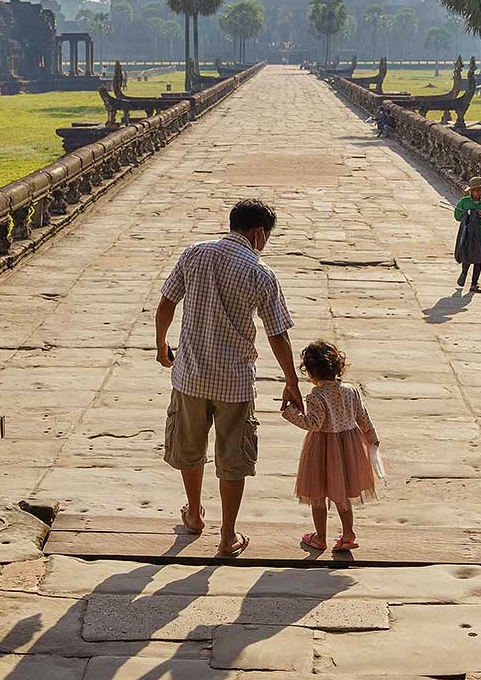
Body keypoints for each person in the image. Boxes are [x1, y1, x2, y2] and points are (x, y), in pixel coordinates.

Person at [156, 198, 301, 558]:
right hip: (234, 382)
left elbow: (167, 303)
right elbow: (277, 333)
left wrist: (161, 343)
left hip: (189, 374)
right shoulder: (260, 273)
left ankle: (193, 514)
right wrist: (291, 380)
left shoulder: (194, 254)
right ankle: (227, 536)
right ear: (258, 233)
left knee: (189, 448)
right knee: (233, 457)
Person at [282, 340, 379, 553]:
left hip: (322, 448)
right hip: (348, 448)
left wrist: (290, 412)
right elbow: (363, 417)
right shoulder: (350, 390)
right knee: (341, 493)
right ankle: (348, 534)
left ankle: (320, 538)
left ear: (310, 372)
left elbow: (312, 424)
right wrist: (372, 437)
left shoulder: (316, 395)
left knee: (318, 493)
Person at [450, 177, 481, 291]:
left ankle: (474, 283)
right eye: (476, 190)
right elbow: (457, 216)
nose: (478, 192)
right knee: (467, 257)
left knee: (479, 259)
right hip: (467, 234)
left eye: (480, 190)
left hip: (480, 235)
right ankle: (464, 273)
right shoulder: (464, 202)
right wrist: (467, 213)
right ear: (471, 191)